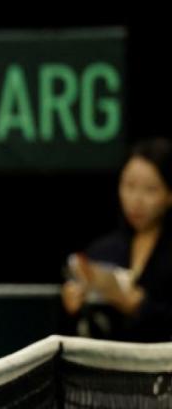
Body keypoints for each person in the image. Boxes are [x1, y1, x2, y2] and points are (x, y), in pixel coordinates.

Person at [61, 137, 172, 342]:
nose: (136, 200)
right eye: (129, 186)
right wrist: (73, 307)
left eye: (150, 190)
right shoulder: (102, 250)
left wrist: (140, 306)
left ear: (169, 194)